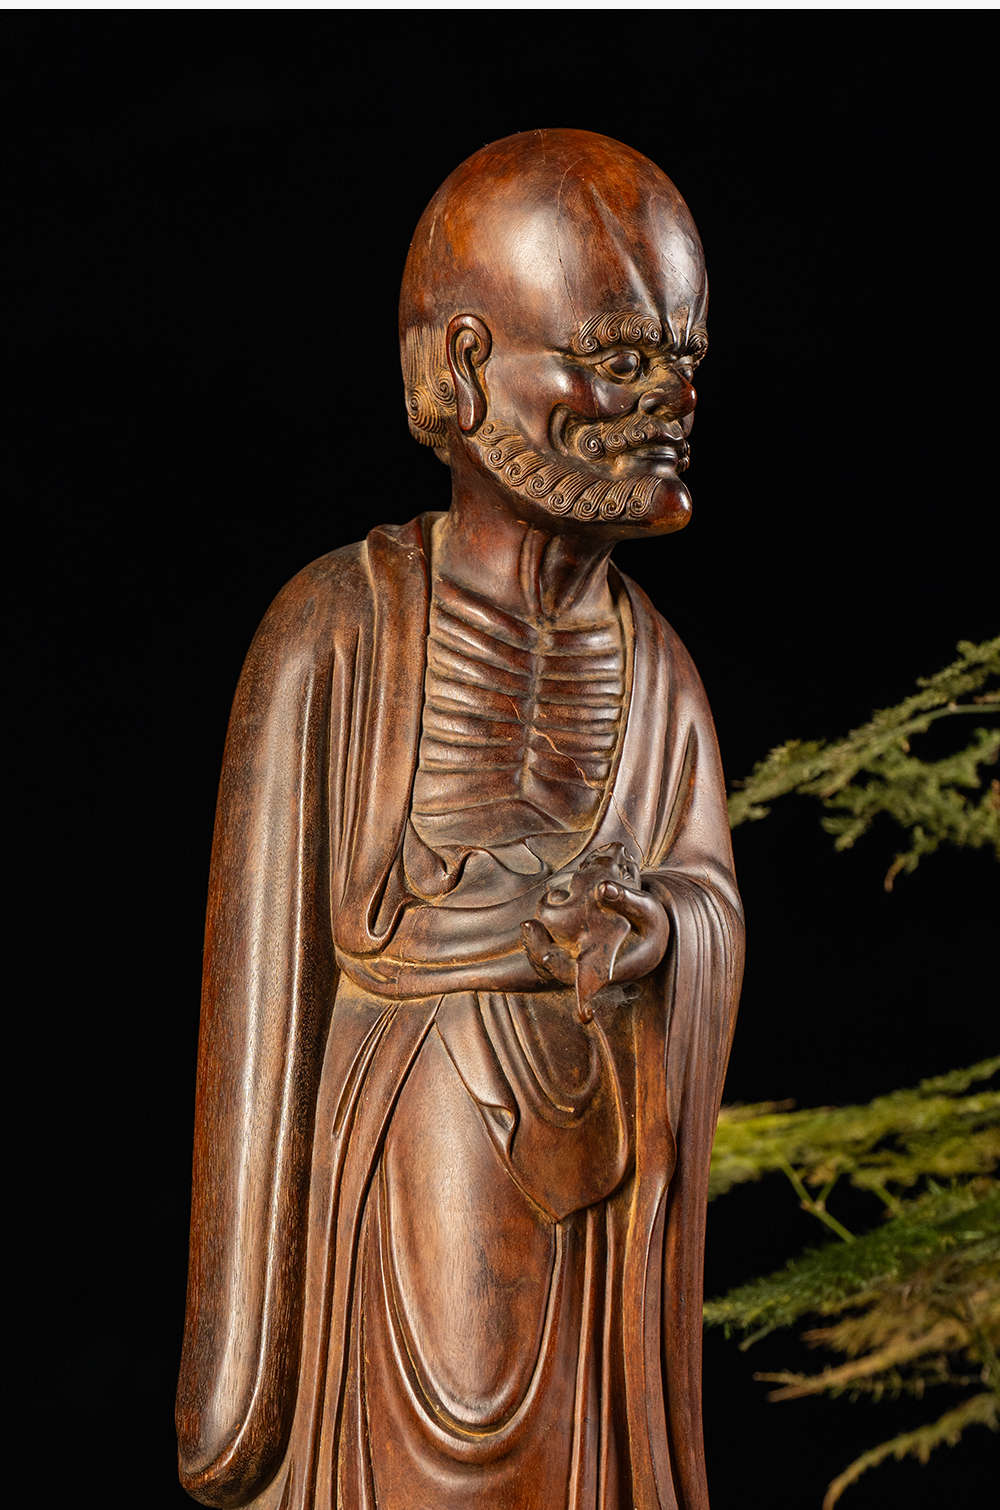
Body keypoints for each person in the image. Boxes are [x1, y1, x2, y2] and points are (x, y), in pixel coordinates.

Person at [177, 128, 744, 1510]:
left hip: (592, 1232)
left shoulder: (661, 672)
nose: (671, 398)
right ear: (469, 365)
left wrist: (661, 932)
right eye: (618, 357)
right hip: (395, 1201)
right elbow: (257, 1014)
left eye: (686, 357)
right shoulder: (336, 633)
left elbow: (710, 903)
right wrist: (241, 1369)